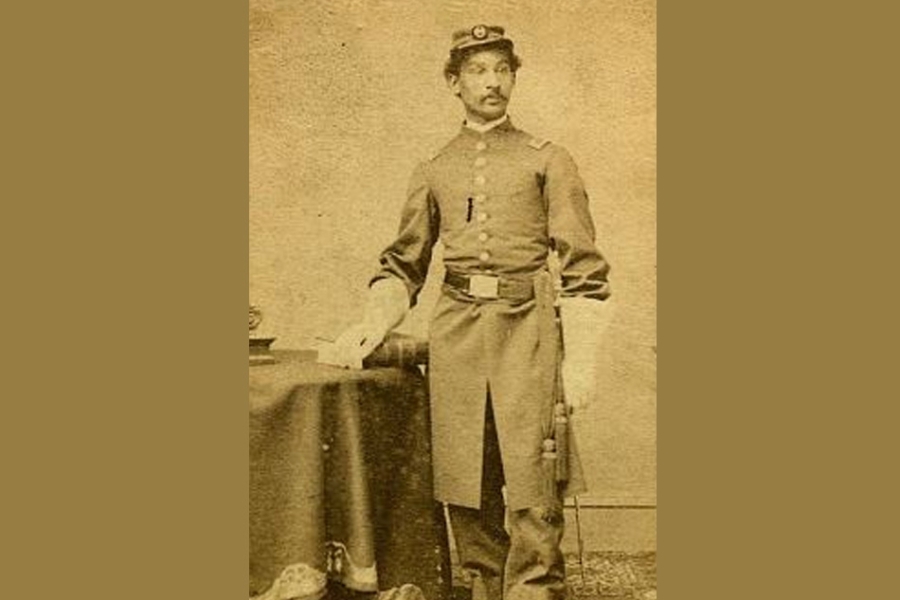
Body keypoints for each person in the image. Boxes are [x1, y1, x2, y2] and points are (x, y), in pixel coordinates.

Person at [334, 25, 612, 600]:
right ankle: (485, 590)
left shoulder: (549, 160)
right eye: (479, 71)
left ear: (513, 77)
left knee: (535, 480)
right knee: (467, 476)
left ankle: (534, 592)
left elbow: (583, 267)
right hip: (457, 332)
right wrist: (372, 322)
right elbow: (403, 263)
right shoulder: (434, 166)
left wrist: (579, 359)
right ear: (453, 82)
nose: (493, 82)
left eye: (502, 70)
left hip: (528, 332)